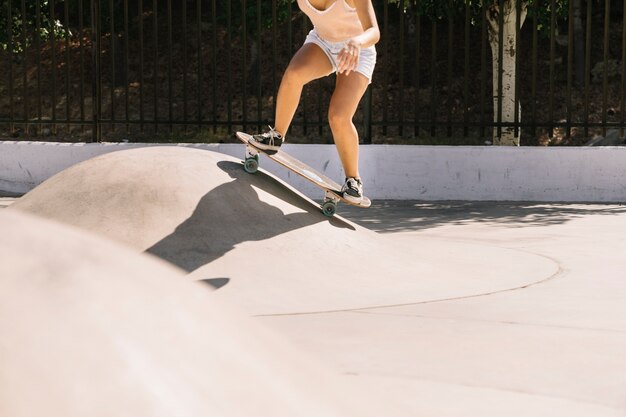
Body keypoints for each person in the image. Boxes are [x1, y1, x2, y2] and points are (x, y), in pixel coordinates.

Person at [248, 0, 380, 204]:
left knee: (338, 116)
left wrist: (356, 42)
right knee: (293, 74)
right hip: (323, 42)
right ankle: (276, 136)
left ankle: (353, 180)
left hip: (359, 51)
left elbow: (374, 31)